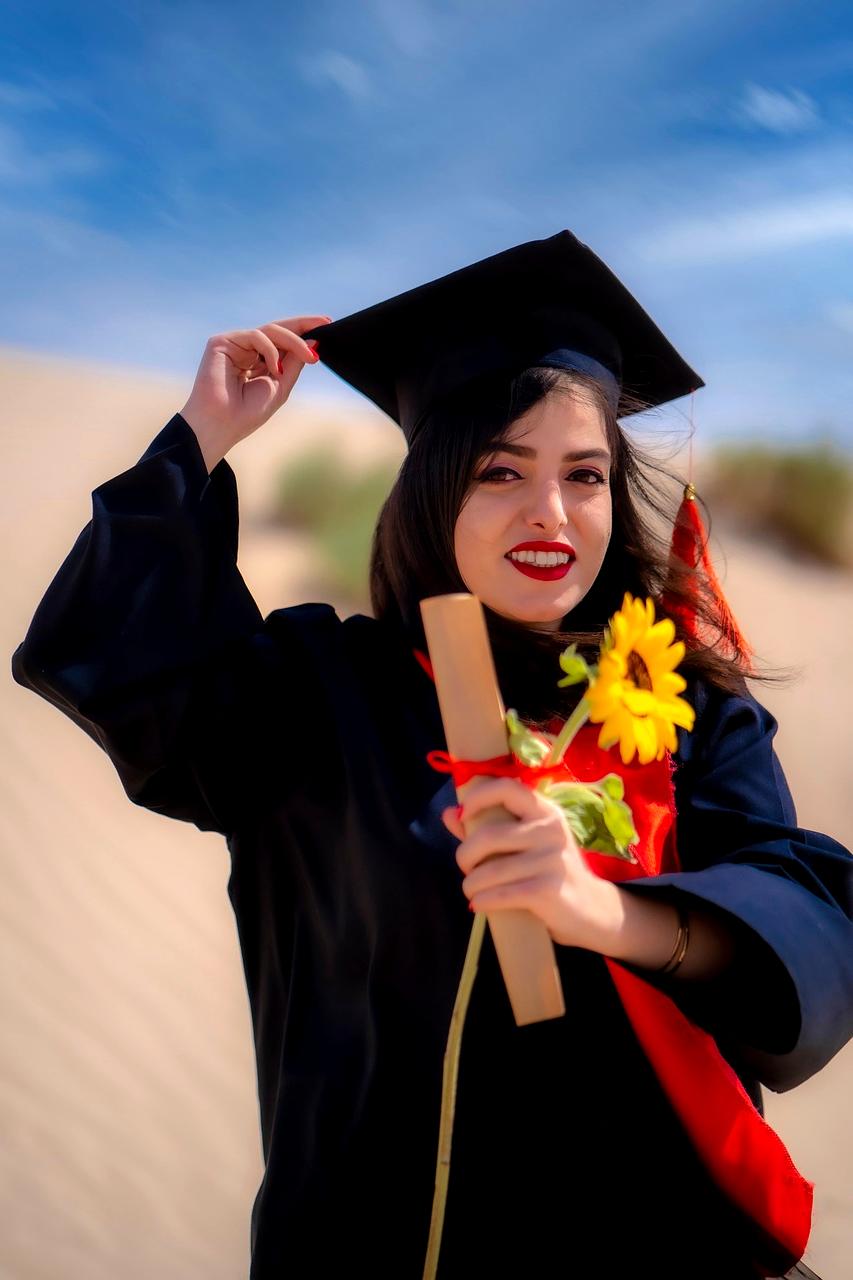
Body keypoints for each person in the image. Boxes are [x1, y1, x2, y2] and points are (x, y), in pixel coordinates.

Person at [10, 230, 851, 1280]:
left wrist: (606, 913)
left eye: (583, 474)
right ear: (434, 486)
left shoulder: (682, 710)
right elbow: (120, 663)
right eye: (501, 468)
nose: (549, 511)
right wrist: (198, 439)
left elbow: (810, 924)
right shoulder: (320, 695)